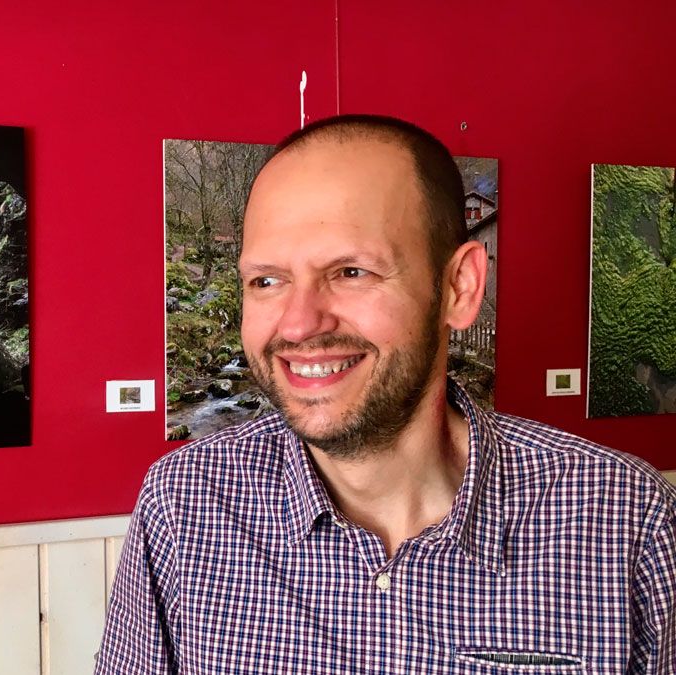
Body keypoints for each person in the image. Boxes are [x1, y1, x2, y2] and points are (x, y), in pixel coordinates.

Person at [96, 115, 676, 673]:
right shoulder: (187, 506)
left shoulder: (625, 523)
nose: (298, 325)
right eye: (266, 280)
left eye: (351, 272)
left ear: (458, 287)